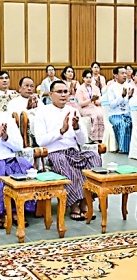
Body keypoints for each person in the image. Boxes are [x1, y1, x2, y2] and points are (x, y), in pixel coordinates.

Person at [34, 81, 102, 221]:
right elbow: (40, 140)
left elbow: (83, 141)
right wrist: (61, 131)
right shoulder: (42, 112)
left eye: (66, 92)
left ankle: (85, 200)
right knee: (62, 162)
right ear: (51, 94)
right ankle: (74, 204)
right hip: (54, 153)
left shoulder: (73, 110)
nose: (63, 95)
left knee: (94, 157)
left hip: (73, 151)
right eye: (59, 92)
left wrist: (76, 127)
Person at [0, 107, 35, 218]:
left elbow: (19, 146)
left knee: (23, 170)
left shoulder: (5, 117)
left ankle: (16, 211)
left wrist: (5, 137)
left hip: (9, 159)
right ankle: (3, 213)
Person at [105, 66, 134, 153]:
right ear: (116, 75)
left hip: (126, 113)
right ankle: (123, 149)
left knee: (131, 123)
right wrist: (122, 96)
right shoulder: (111, 88)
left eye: (126, 73)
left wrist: (130, 97)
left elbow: (131, 104)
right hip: (115, 114)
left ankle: (131, 149)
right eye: (122, 73)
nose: (125, 75)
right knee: (122, 124)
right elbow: (112, 105)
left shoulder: (129, 86)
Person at [75, 70, 105, 143]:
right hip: (85, 108)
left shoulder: (96, 88)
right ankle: (94, 138)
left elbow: (100, 100)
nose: (88, 79)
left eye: (90, 77)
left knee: (102, 114)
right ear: (83, 78)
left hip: (95, 106)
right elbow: (81, 103)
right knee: (95, 115)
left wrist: (95, 101)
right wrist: (90, 100)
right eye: (86, 77)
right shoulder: (80, 89)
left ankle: (102, 137)